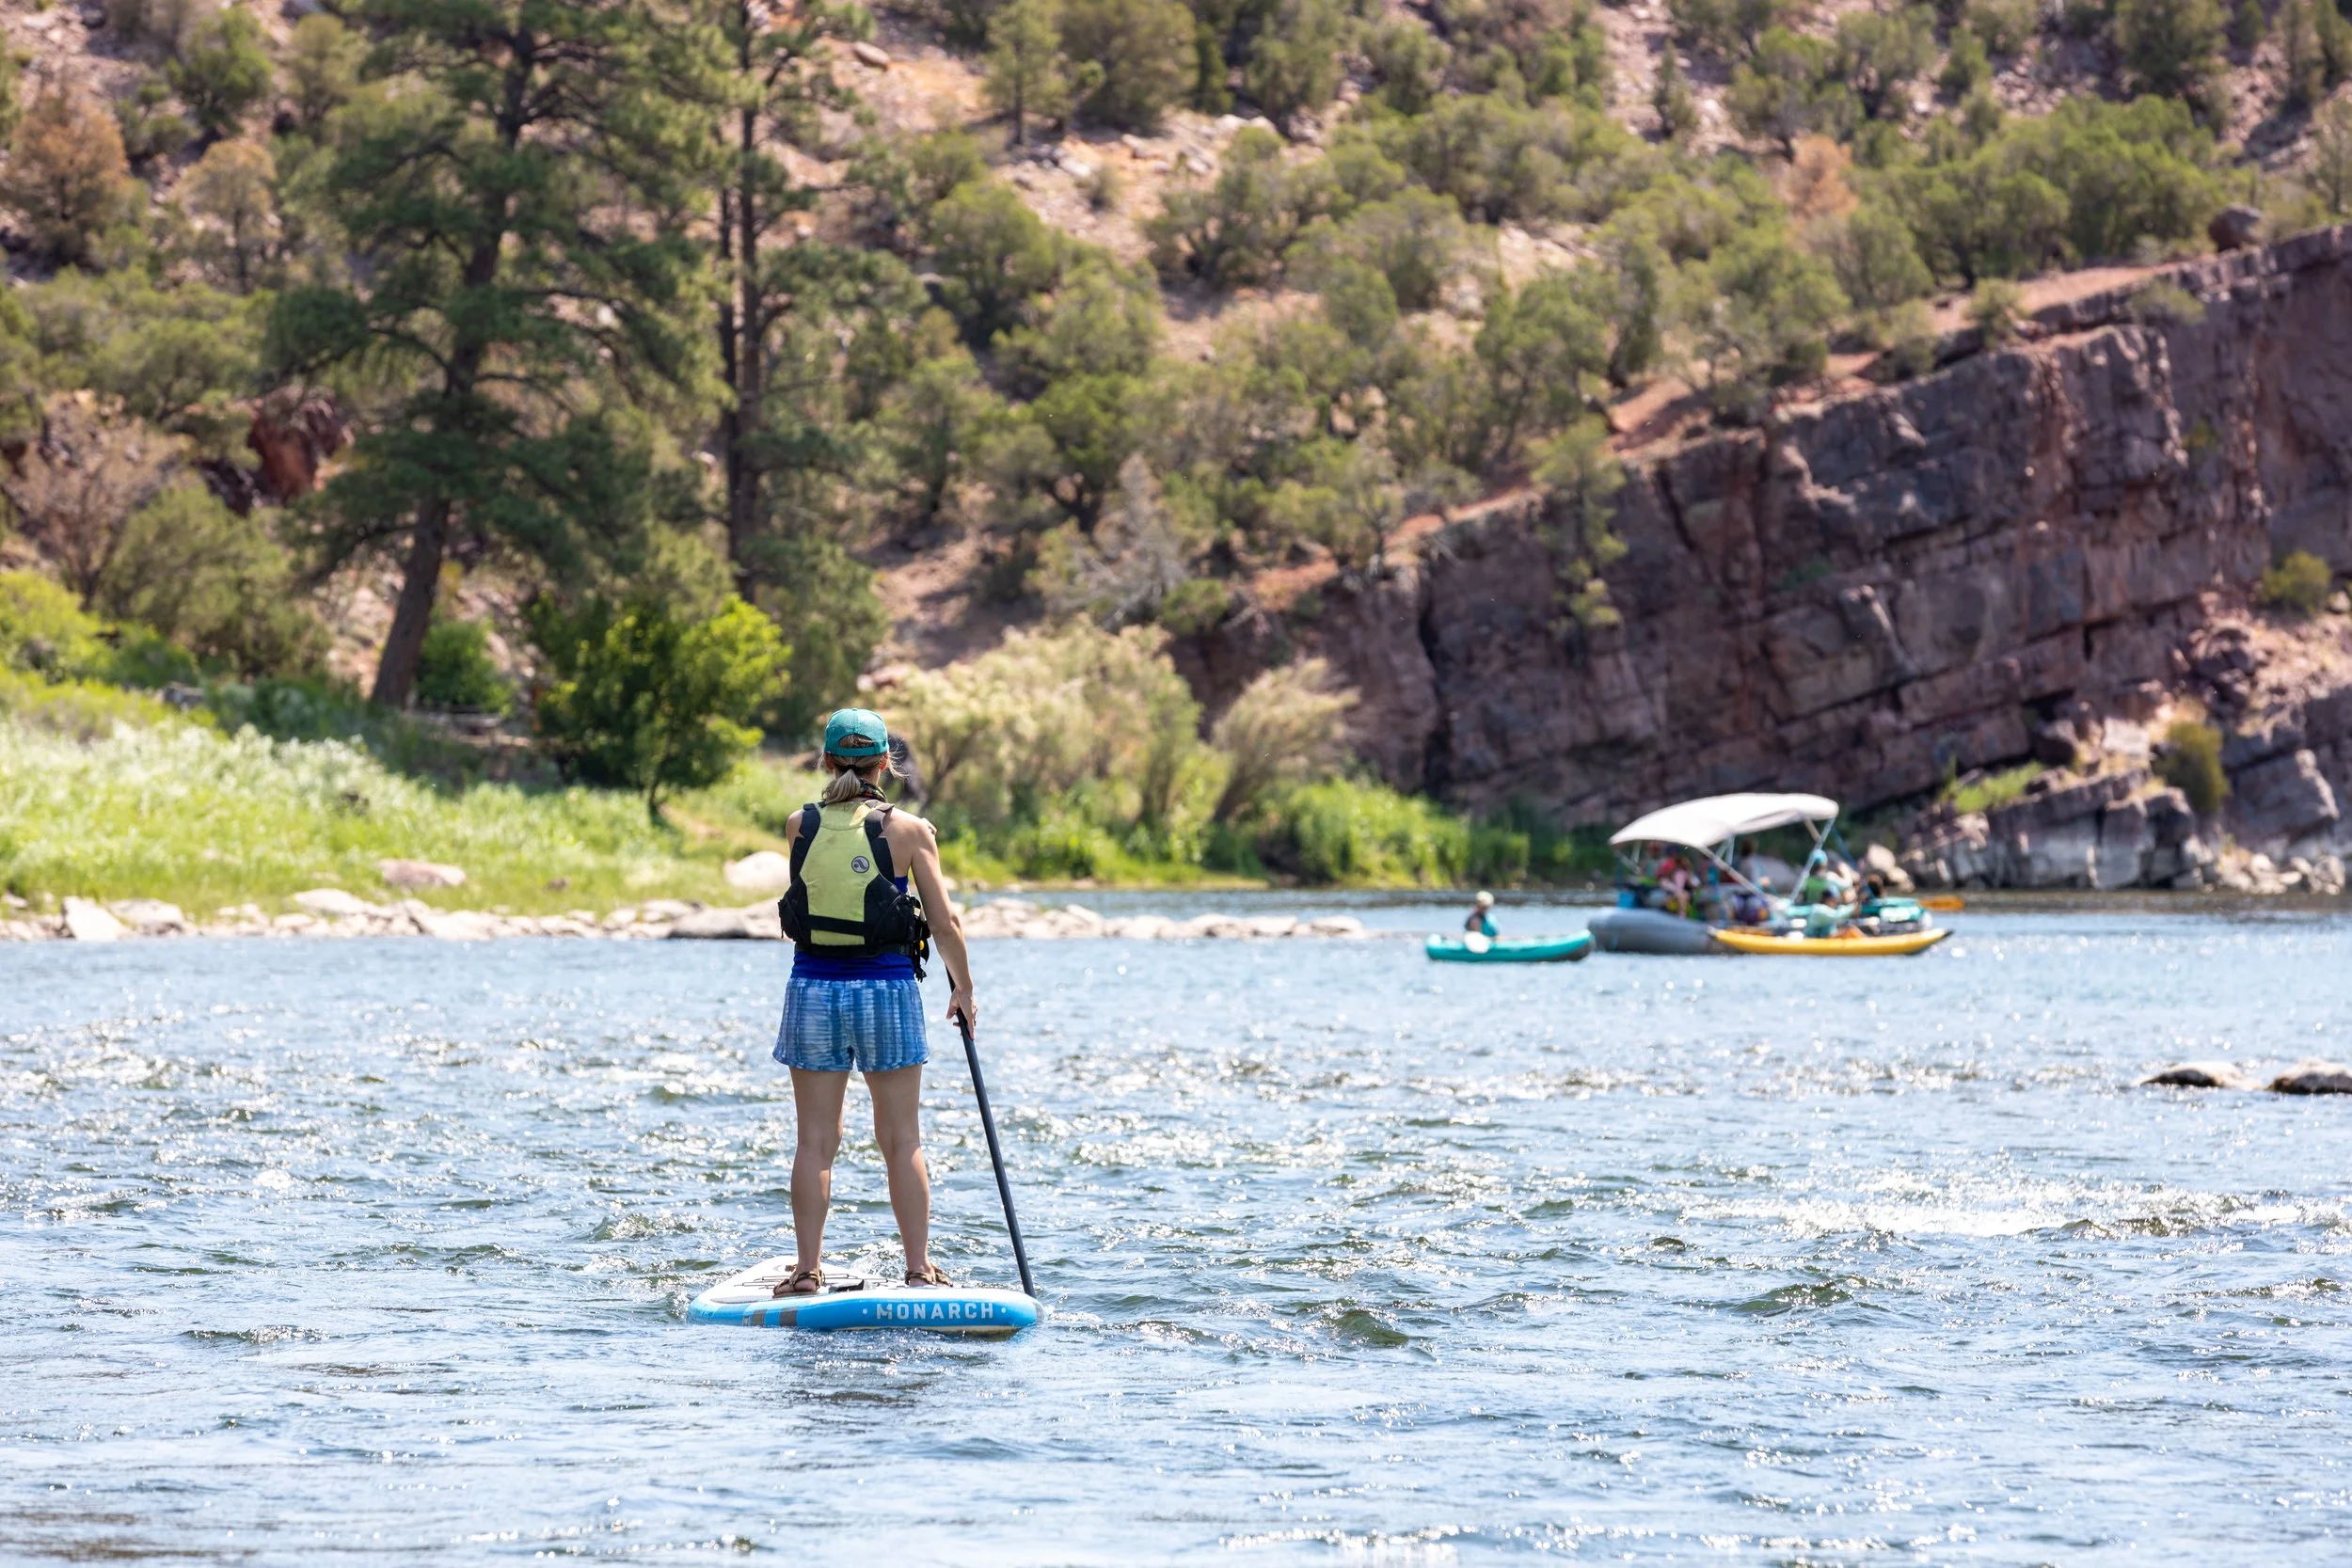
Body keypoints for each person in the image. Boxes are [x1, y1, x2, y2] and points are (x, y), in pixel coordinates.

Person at [771, 708, 976, 1297]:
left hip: (812, 991)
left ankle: (808, 1270)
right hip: (886, 993)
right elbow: (946, 923)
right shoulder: (911, 831)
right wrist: (963, 989)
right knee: (901, 1138)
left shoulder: (798, 825)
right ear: (887, 763)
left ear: (827, 761)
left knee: (814, 1139)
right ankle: (919, 1269)